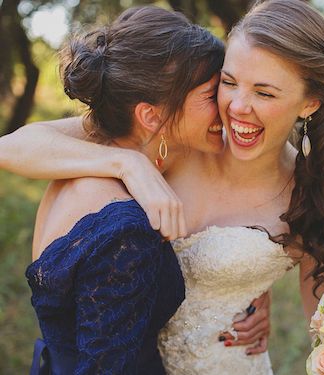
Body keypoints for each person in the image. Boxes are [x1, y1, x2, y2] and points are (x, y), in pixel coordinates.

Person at [0, 0, 324, 374]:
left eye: (265, 93)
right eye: (228, 82)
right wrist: (128, 164)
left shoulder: (313, 196)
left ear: (310, 103)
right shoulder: (178, 136)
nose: (238, 106)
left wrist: (255, 283)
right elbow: (12, 147)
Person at [8, 6, 269, 374]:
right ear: (150, 115)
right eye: (212, 95)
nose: (227, 110)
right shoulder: (125, 231)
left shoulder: (71, 172)